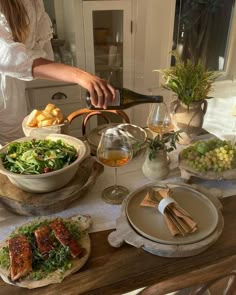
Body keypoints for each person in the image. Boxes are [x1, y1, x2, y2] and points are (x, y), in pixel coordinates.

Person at [0, 0, 115, 145]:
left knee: (13, 151)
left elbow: (44, 56)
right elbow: (8, 58)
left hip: (14, 100)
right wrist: (79, 76)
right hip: (5, 100)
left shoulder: (34, 4)